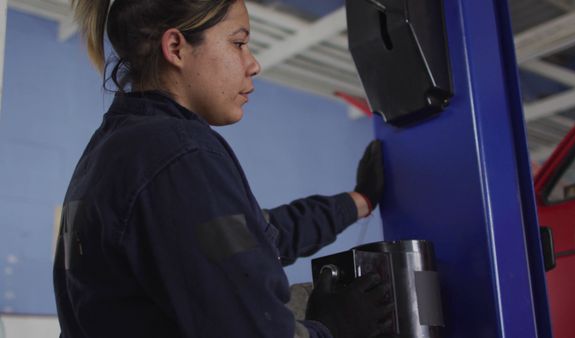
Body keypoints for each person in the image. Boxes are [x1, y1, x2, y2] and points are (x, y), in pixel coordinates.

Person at [53, 0, 392, 337]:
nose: (253, 64)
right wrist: (334, 328)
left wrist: (358, 200)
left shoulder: (114, 149)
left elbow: (258, 236)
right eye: (239, 43)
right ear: (175, 47)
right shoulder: (178, 152)